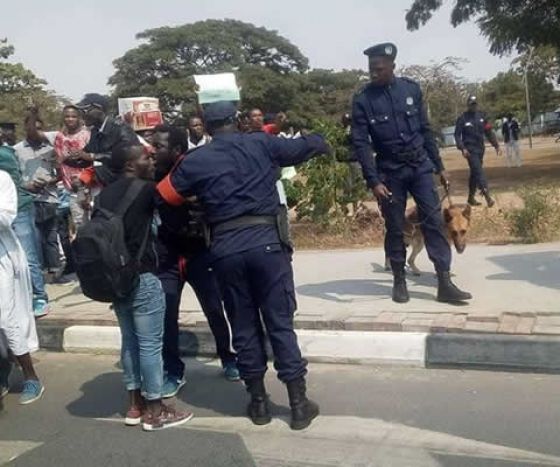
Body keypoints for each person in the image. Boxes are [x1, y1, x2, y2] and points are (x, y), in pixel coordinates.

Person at [157, 100, 327, 430]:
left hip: (224, 249)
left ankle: (259, 403)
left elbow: (165, 194)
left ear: (205, 127)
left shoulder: (197, 159)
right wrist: (319, 138)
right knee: (279, 323)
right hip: (267, 245)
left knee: (244, 326)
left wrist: (200, 196)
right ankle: (298, 404)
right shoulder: (262, 143)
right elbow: (308, 146)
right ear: (236, 120)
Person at [351, 42, 471, 304]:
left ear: (392, 67)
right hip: (390, 173)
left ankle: (444, 282)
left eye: (379, 68)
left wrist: (439, 167)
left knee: (435, 224)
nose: (374, 73)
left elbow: (425, 131)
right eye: (371, 69)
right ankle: (399, 281)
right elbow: (360, 143)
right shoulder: (362, 100)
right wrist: (373, 180)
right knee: (396, 227)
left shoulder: (411, 90)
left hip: (419, 167)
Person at [96, 142, 192, 431]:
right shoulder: (147, 190)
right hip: (144, 278)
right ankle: (156, 410)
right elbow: (175, 210)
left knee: (129, 341)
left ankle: (134, 406)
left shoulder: (103, 196)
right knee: (150, 344)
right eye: (145, 157)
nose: (152, 161)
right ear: (129, 165)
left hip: (116, 280)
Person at [152, 124, 240, 398]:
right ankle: (173, 371)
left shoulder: (195, 169)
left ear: (177, 150)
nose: (153, 151)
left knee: (214, 309)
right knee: (167, 315)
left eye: (160, 147)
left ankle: (228, 357)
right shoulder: (151, 174)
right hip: (166, 257)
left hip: (199, 253)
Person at [0, 170, 44, 405]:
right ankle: (2, 373)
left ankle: (31, 376)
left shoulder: (3, 179)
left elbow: (6, 218)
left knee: (7, 318)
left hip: (3, 259)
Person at [0, 125, 49, 318]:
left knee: (27, 256)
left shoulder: (3, 154)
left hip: (17, 209)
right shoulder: (8, 151)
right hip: (15, 208)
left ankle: (39, 297)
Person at [15, 110, 64, 297]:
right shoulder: (17, 149)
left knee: (51, 236)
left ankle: (55, 271)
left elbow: (61, 172)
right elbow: (16, 174)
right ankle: (39, 274)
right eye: (32, 128)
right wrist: (27, 185)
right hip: (29, 199)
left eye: (39, 129)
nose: (36, 132)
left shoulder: (51, 148)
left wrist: (50, 182)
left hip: (50, 197)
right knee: (33, 238)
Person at [75, 93, 140, 190]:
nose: (82, 115)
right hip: (108, 186)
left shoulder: (120, 128)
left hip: (127, 186)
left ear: (99, 109)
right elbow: (87, 154)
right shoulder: (95, 131)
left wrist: (93, 156)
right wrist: (69, 159)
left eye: (85, 110)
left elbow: (129, 155)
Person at [454, 95, 501, 207]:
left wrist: (496, 145)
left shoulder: (482, 117)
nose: (473, 106)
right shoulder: (463, 118)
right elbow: (457, 135)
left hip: (480, 149)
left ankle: (470, 198)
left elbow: (489, 132)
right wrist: (462, 148)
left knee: (475, 173)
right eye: (471, 104)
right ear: (468, 105)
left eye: (475, 104)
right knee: (479, 172)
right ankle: (487, 197)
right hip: (470, 150)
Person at [53, 105, 92, 230]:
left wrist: (81, 156)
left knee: (95, 222)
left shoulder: (87, 135)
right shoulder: (60, 137)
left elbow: (92, 159)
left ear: (79, 118)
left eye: (73, 116)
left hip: (90, 186)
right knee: (80, 224)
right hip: (72, 189)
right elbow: (59, 161)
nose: (70, 119)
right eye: (67, 116)